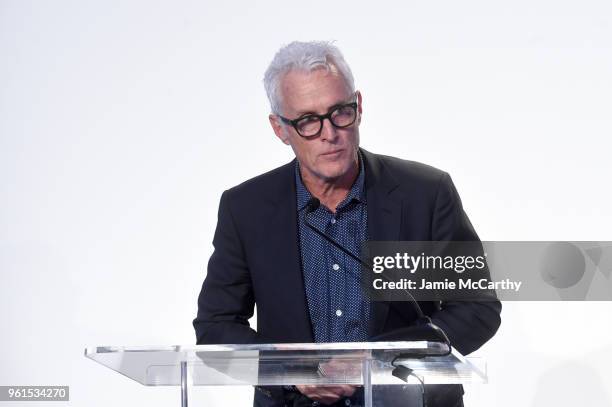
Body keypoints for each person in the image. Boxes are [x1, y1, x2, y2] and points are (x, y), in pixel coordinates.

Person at [193, 41, 501, 407]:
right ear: (280, 128)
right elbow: (216, 328)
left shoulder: (425, 193)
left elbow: (477, 307)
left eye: (340, 112)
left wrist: (380, 361)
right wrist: (293, 372)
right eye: (308, 120)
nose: (329, 132)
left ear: (359, 106)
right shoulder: (246, 208)